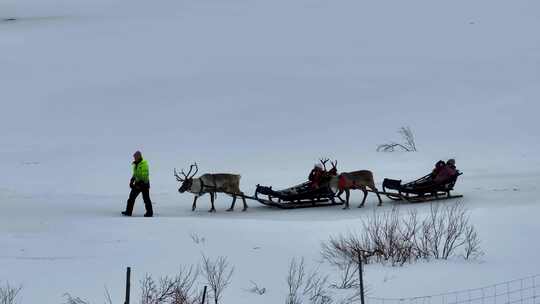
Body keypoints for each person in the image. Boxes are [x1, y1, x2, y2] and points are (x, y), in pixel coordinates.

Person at [122, 151, 153, 217]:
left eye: (135, 157)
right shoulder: (135, 164)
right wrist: (132, 180)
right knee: (131, 198)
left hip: (145, 184)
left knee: (146, 199)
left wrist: (141, 183)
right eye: (134, 157)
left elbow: (145, 174)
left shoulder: (144, 164)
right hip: (137, 183)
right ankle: (128, 212)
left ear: (139, 156)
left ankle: (149, 213)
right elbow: (135, 174)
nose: (134, 158)